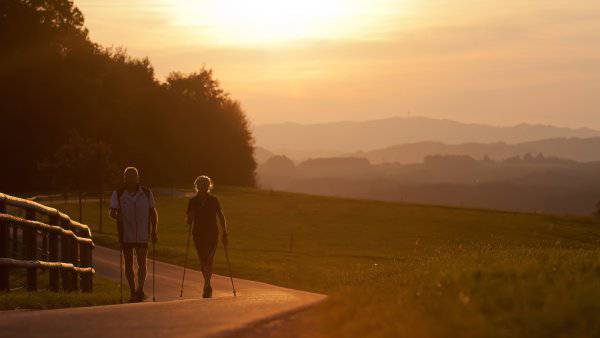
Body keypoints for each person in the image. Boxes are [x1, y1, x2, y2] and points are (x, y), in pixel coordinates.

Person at [109, 167, 158, 302]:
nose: (131, 178)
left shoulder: (146, 193)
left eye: (133, 175)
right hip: (126, 233)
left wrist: (154, 230)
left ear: (137, 177)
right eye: (128, 176)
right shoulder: (118, 193)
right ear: (125, 178)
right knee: (128, 263)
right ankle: (132, 290)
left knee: (142, 262)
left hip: (143, 232)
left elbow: (153, 212)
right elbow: (112, 212)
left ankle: (140, 289)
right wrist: (119, 218)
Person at [186, 175, 228, 298]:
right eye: (200, 185)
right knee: (203, 260)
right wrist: (190, 216)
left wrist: (225, 231)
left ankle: (207, 285)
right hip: (198, 234)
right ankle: (207, 283)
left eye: (205, 185)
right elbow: (189, 220)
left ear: (208, 186)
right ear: (197, 186)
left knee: (209, 259)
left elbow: (220, 216)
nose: (202, 187)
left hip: (212, 233)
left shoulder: (214, 200)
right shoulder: (192, 201)